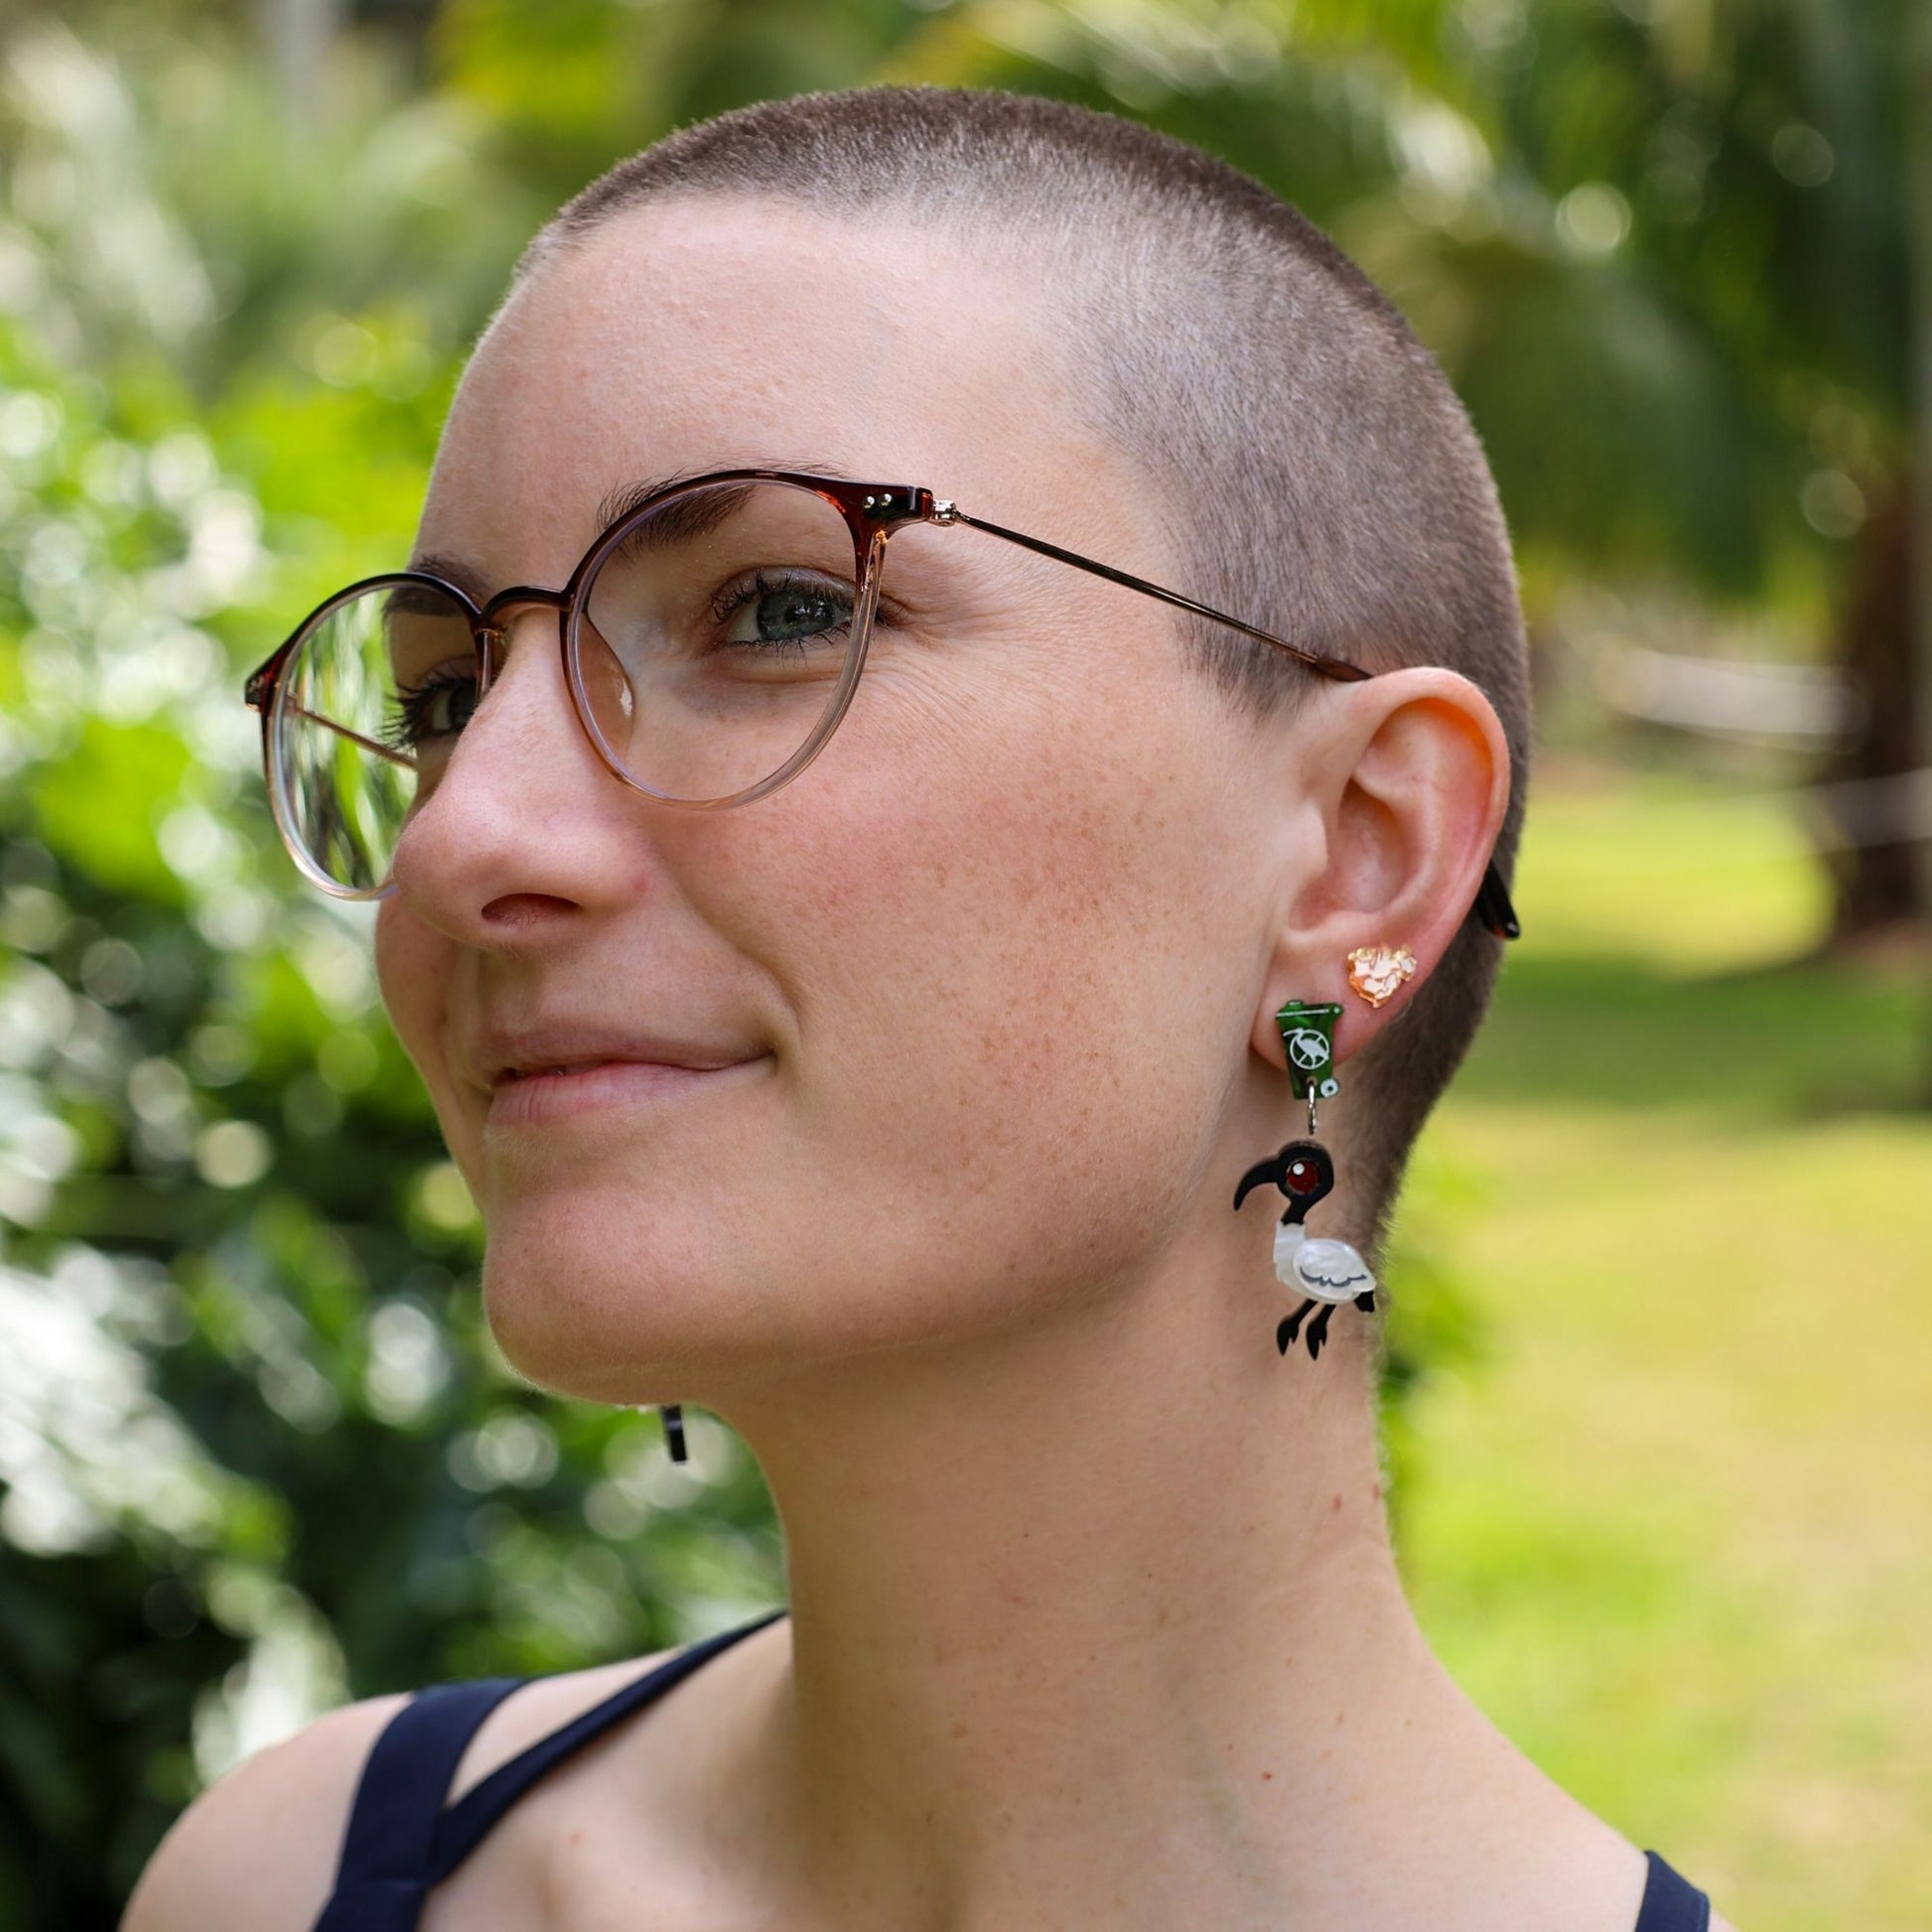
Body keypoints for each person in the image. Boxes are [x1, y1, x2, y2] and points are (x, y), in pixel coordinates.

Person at [124, 85, 1732, 1932]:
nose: (461, 836)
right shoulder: (286, 1883)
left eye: (778, 611)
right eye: (441, 700)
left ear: (1355, 862)